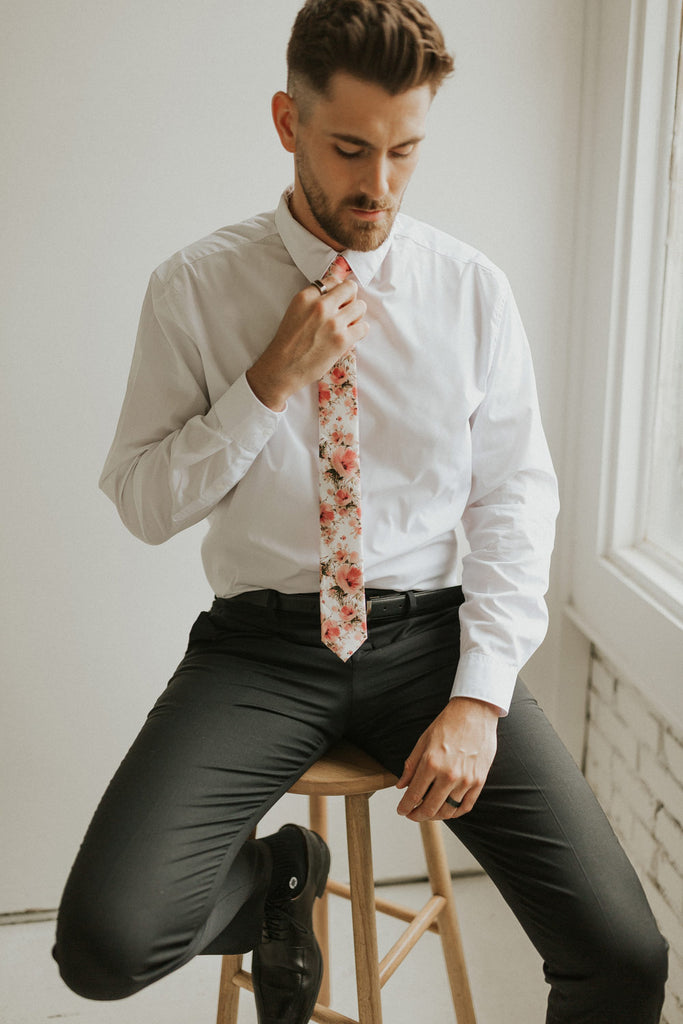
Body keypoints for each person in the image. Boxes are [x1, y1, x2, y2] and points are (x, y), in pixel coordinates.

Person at [53, 1, 668, 1021]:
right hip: (260, 650)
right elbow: (144, 504)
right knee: (101, 948)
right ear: (287, 123)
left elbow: (514, 501)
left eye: (404, 150)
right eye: (348, 149)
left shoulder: (468, 290)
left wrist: (478, 700)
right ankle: (276, 881)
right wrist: (264, 385)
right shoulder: (194, 289)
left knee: (624, 956)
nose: (377, 184)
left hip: (430, 643)